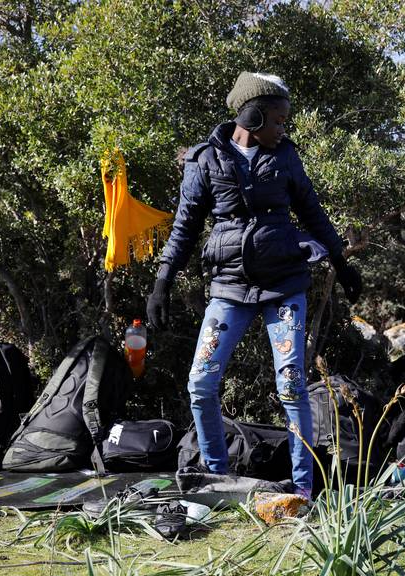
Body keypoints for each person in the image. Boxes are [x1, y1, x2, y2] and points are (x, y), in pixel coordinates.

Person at [146, 72, 362, 498]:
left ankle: (301, 492)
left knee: (292, 385)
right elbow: (185, 226)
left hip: (284, 286)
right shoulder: (205, 160)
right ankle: (216, 479)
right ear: (253, 116)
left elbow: (312, 210)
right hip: (229, 288)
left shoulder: (285, 156)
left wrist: (341, 261)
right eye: (278, 120)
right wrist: (162, 281)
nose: (283, 128)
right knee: (200, 383)